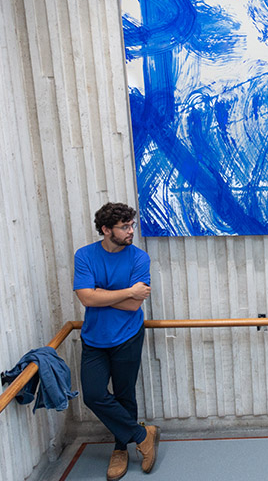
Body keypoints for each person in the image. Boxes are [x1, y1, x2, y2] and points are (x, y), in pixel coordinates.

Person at [73, 202, 160, 481]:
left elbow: (134, 306)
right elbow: (86, 298)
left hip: (128, 336)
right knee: (94, 394)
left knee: (125, 395)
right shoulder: (85, 255)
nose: (131, 231)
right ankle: (141, 435)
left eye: (131, 225)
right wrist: (125, 292)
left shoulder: (139, 258)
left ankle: (121, 448)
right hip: (94, 339)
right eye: (125, 227)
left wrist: (102, 293)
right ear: (106, 229)